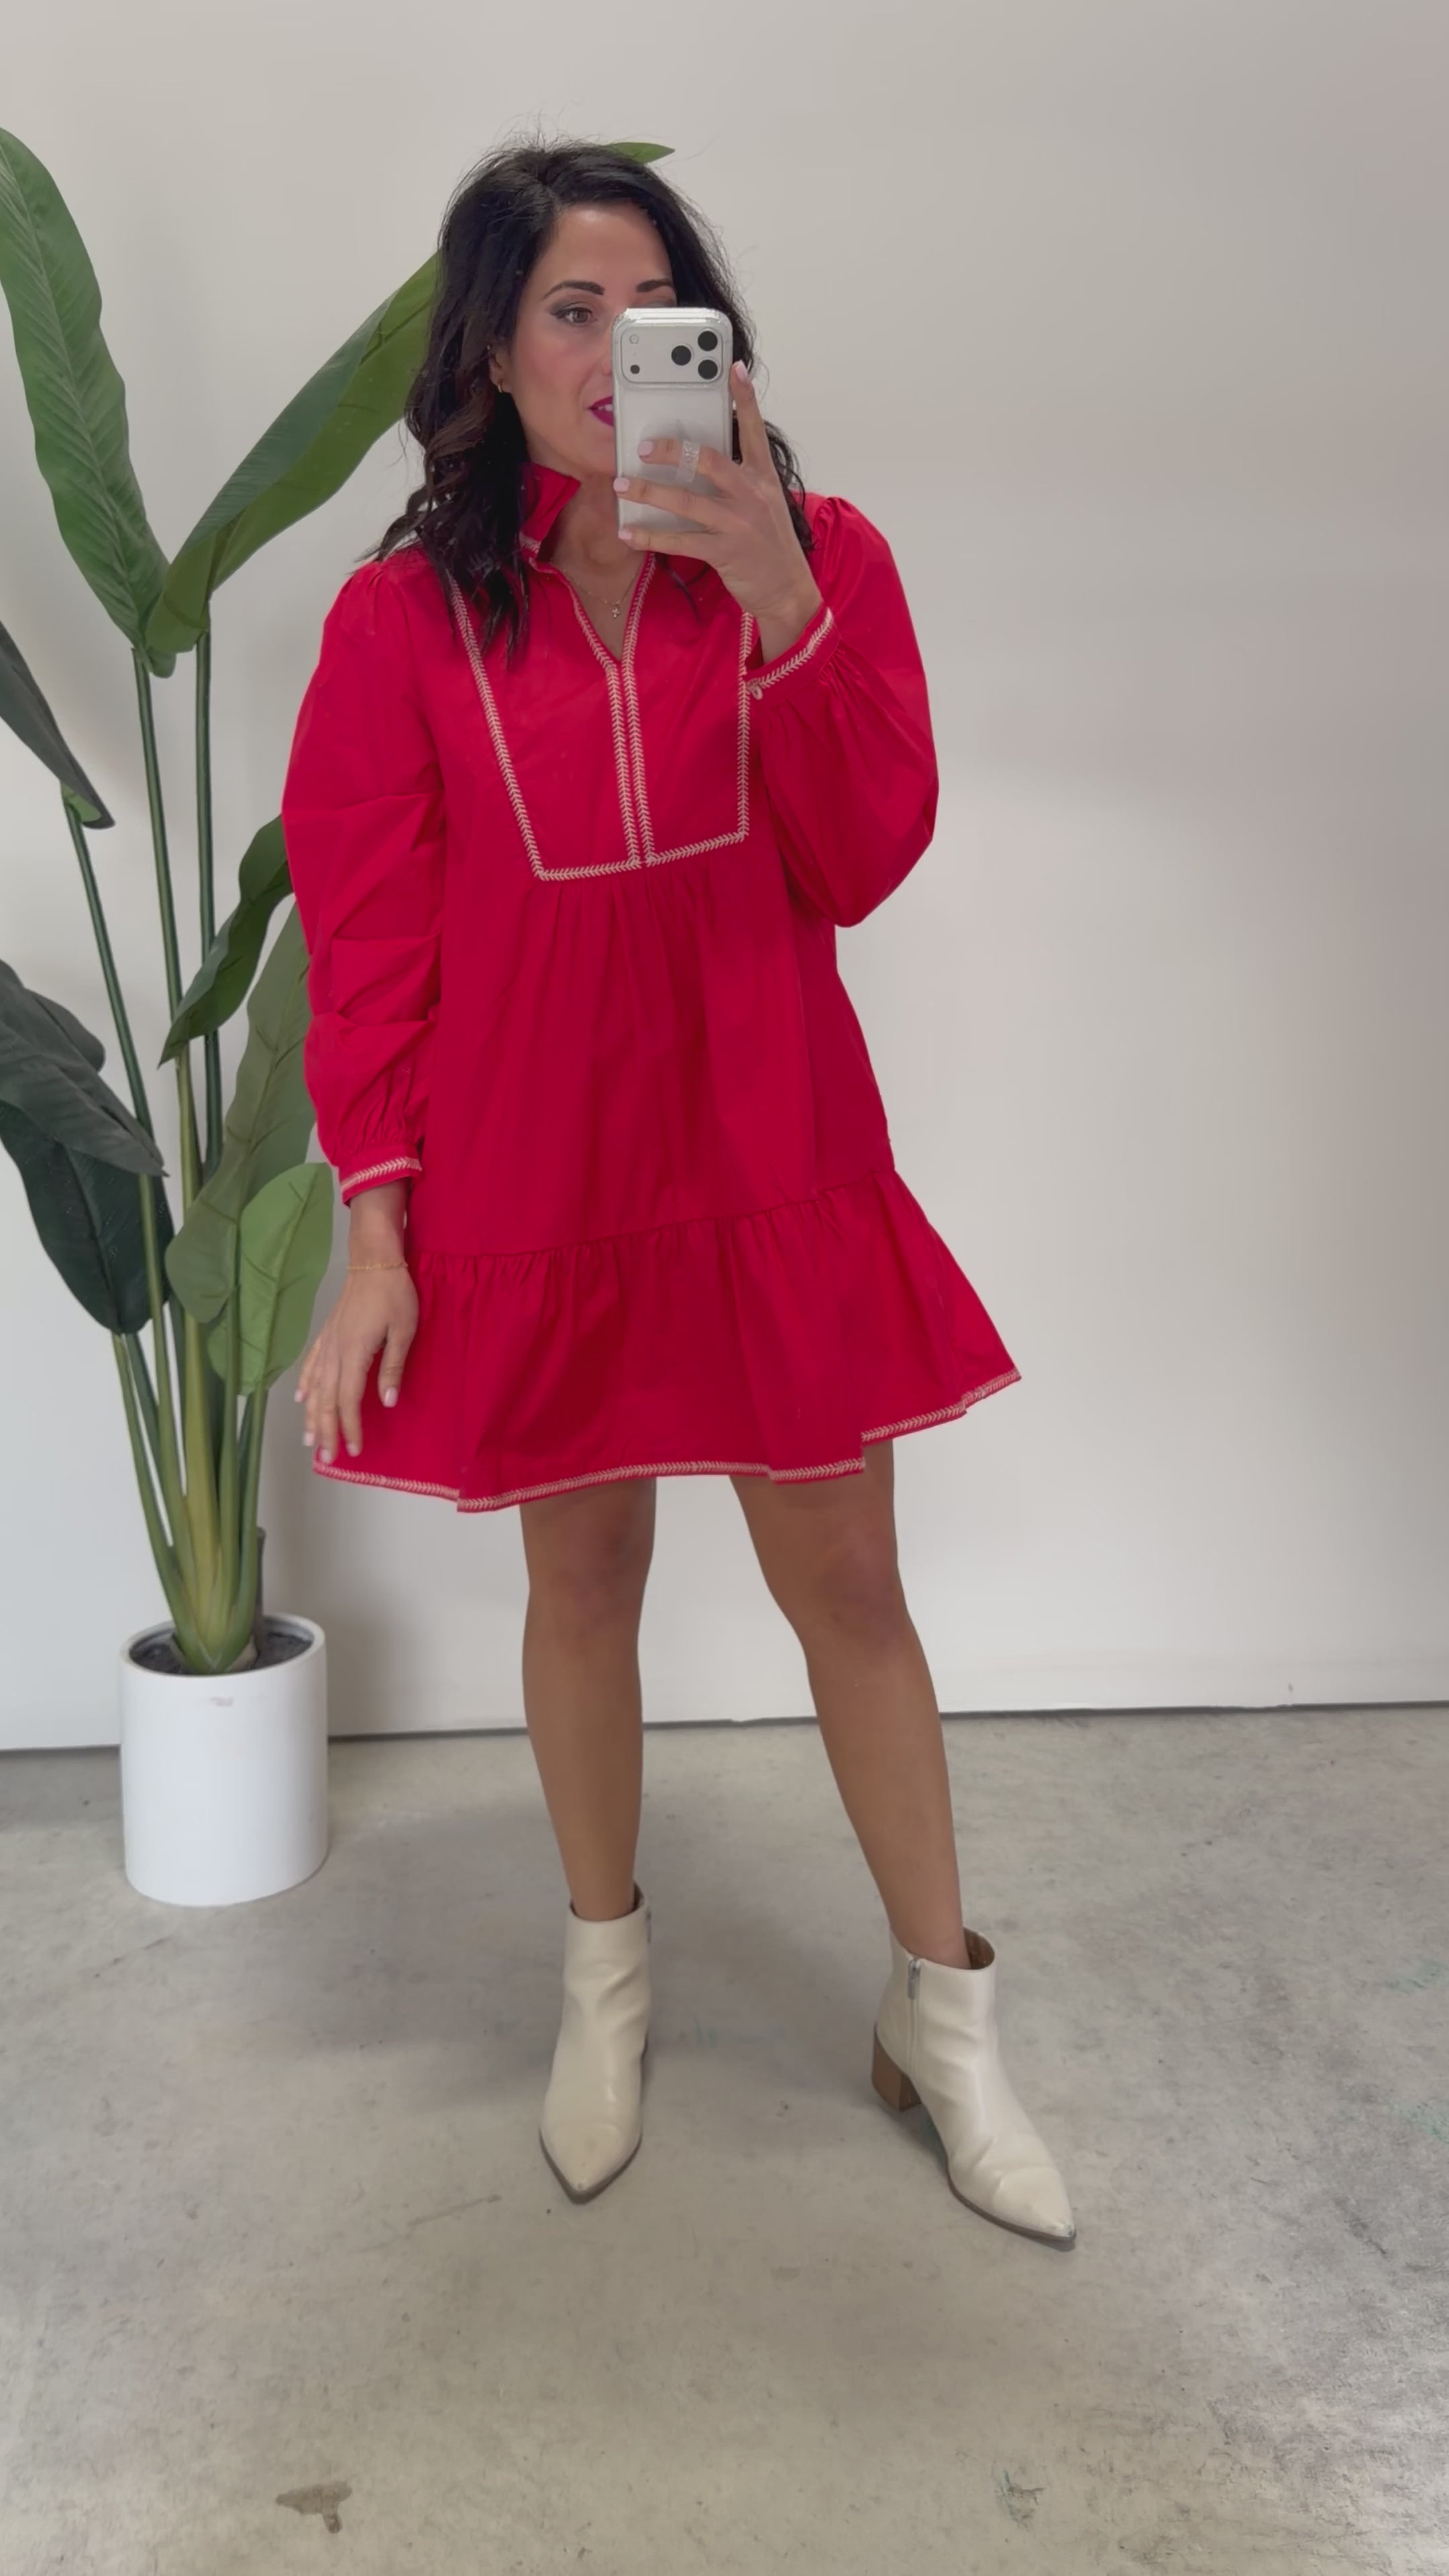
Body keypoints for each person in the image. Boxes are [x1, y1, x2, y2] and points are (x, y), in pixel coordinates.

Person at [282, 137, 1075, 2247]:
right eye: (573, 310)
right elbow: (373, 940)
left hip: (769, 1149)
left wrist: (786, 591)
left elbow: (860, 859)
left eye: (659, 314)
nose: (617, 349)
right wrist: (376, 1228)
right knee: (585, 1584)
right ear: (491, 349)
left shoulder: (820, 562)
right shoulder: (402, 622)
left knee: (852, 1590)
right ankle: (605, 1983)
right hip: (540, 1181)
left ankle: (947, 2018)